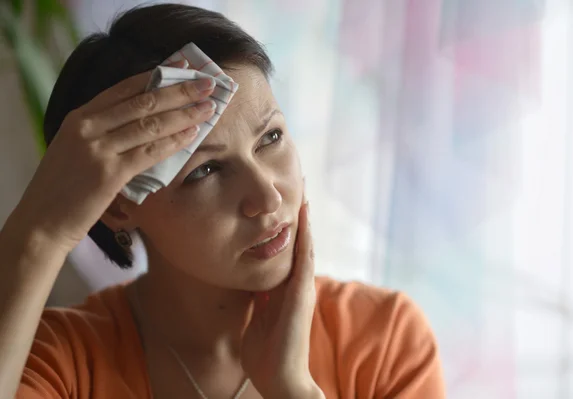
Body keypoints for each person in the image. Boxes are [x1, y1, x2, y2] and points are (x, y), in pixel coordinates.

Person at [0, 4, 445, 399]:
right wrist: (40, 232)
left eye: (270, 137)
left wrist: (293, 389)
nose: (267, 197)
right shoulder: (57, 360)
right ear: (117, 205)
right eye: (205, 171)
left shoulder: (384, 340)